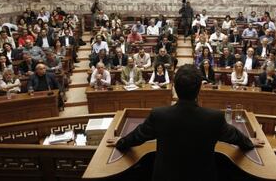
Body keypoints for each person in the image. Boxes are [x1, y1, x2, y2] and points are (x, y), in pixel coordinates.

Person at [107, 64, 260, 181]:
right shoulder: (214, 118)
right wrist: (249, 142)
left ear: (174, 87)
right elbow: (235, 136)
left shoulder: (159, 115)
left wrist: (121, 142)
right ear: (200, 88)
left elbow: (137, 137)